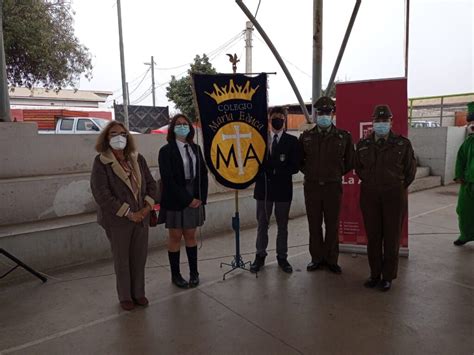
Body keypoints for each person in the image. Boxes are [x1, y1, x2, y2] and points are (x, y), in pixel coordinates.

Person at [90, 121, 157, 311]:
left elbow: (152, 185)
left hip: (141, 216)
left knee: (139, 257)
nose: (119, 137)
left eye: (123, 133)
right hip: (118, 220)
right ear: (106, 138)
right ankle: (125, 296)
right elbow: (101, 193)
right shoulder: (101, 161)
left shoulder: (137, 158)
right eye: (113, 134)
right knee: (122, 259)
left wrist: (145, 209)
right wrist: (128, 213)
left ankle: (139, 293)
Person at [355, 104, 416, 292]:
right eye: (378, 121)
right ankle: (375, 274)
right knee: (373, 237)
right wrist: (373, 183)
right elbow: (359, 169)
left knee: (391, 237)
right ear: (372, 123)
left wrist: (396, 187)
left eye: (384, 121)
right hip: (370, 195)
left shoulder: (402, 144)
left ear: (391, 122)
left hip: (394, 196)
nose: (381, 124)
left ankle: (388, 277)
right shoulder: (364, 145)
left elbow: (410, 171)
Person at [299, 96, 354, 274]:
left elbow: (350, 161)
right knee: (314, 225)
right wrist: (312, 173)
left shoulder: (343, 137)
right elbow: (300, 161)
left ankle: (331, 259)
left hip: (332, 187)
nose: (324, 116)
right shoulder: (306, 137)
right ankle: (316, 258)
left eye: (327, 112)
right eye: (321, 113)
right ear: (316, 115)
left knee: (332, 225)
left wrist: (335, 174)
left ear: (333, 114)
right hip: (312, 187)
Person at [158, 114, 208, 289]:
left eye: (185, 124)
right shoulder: (166, 151)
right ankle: (176, 275)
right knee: (175, 236)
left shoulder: (196, 149)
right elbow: (168, 179)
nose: (182, 127)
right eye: (178, 124)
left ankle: (194, 273)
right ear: (172, 129)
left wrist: (200, 198)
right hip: (175, 197)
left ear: (190, 127)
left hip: (194, 195)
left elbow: (203, 174)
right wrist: (188, 199)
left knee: (190, 235)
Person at [250, 106, 301, 274]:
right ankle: (260, 256)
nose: (277, 120)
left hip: (283, 191)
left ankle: (282, 257)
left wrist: (274, 170)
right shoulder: (260, 140)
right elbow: (254, 164)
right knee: (262, 225)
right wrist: (271, 168)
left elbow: (294, 166)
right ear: (269, 119)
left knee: (282, 226)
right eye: (274, 117)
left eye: (280, 117)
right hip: (263, 191)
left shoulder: (292, 141)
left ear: (285, 120)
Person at [453, 107, 474, 246]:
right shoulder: (468, 142)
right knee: (464, 210)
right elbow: (460, 160)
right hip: (468, 183)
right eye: (471, 122)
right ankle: (465, 235)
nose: (472, 125)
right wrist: (459, 175)